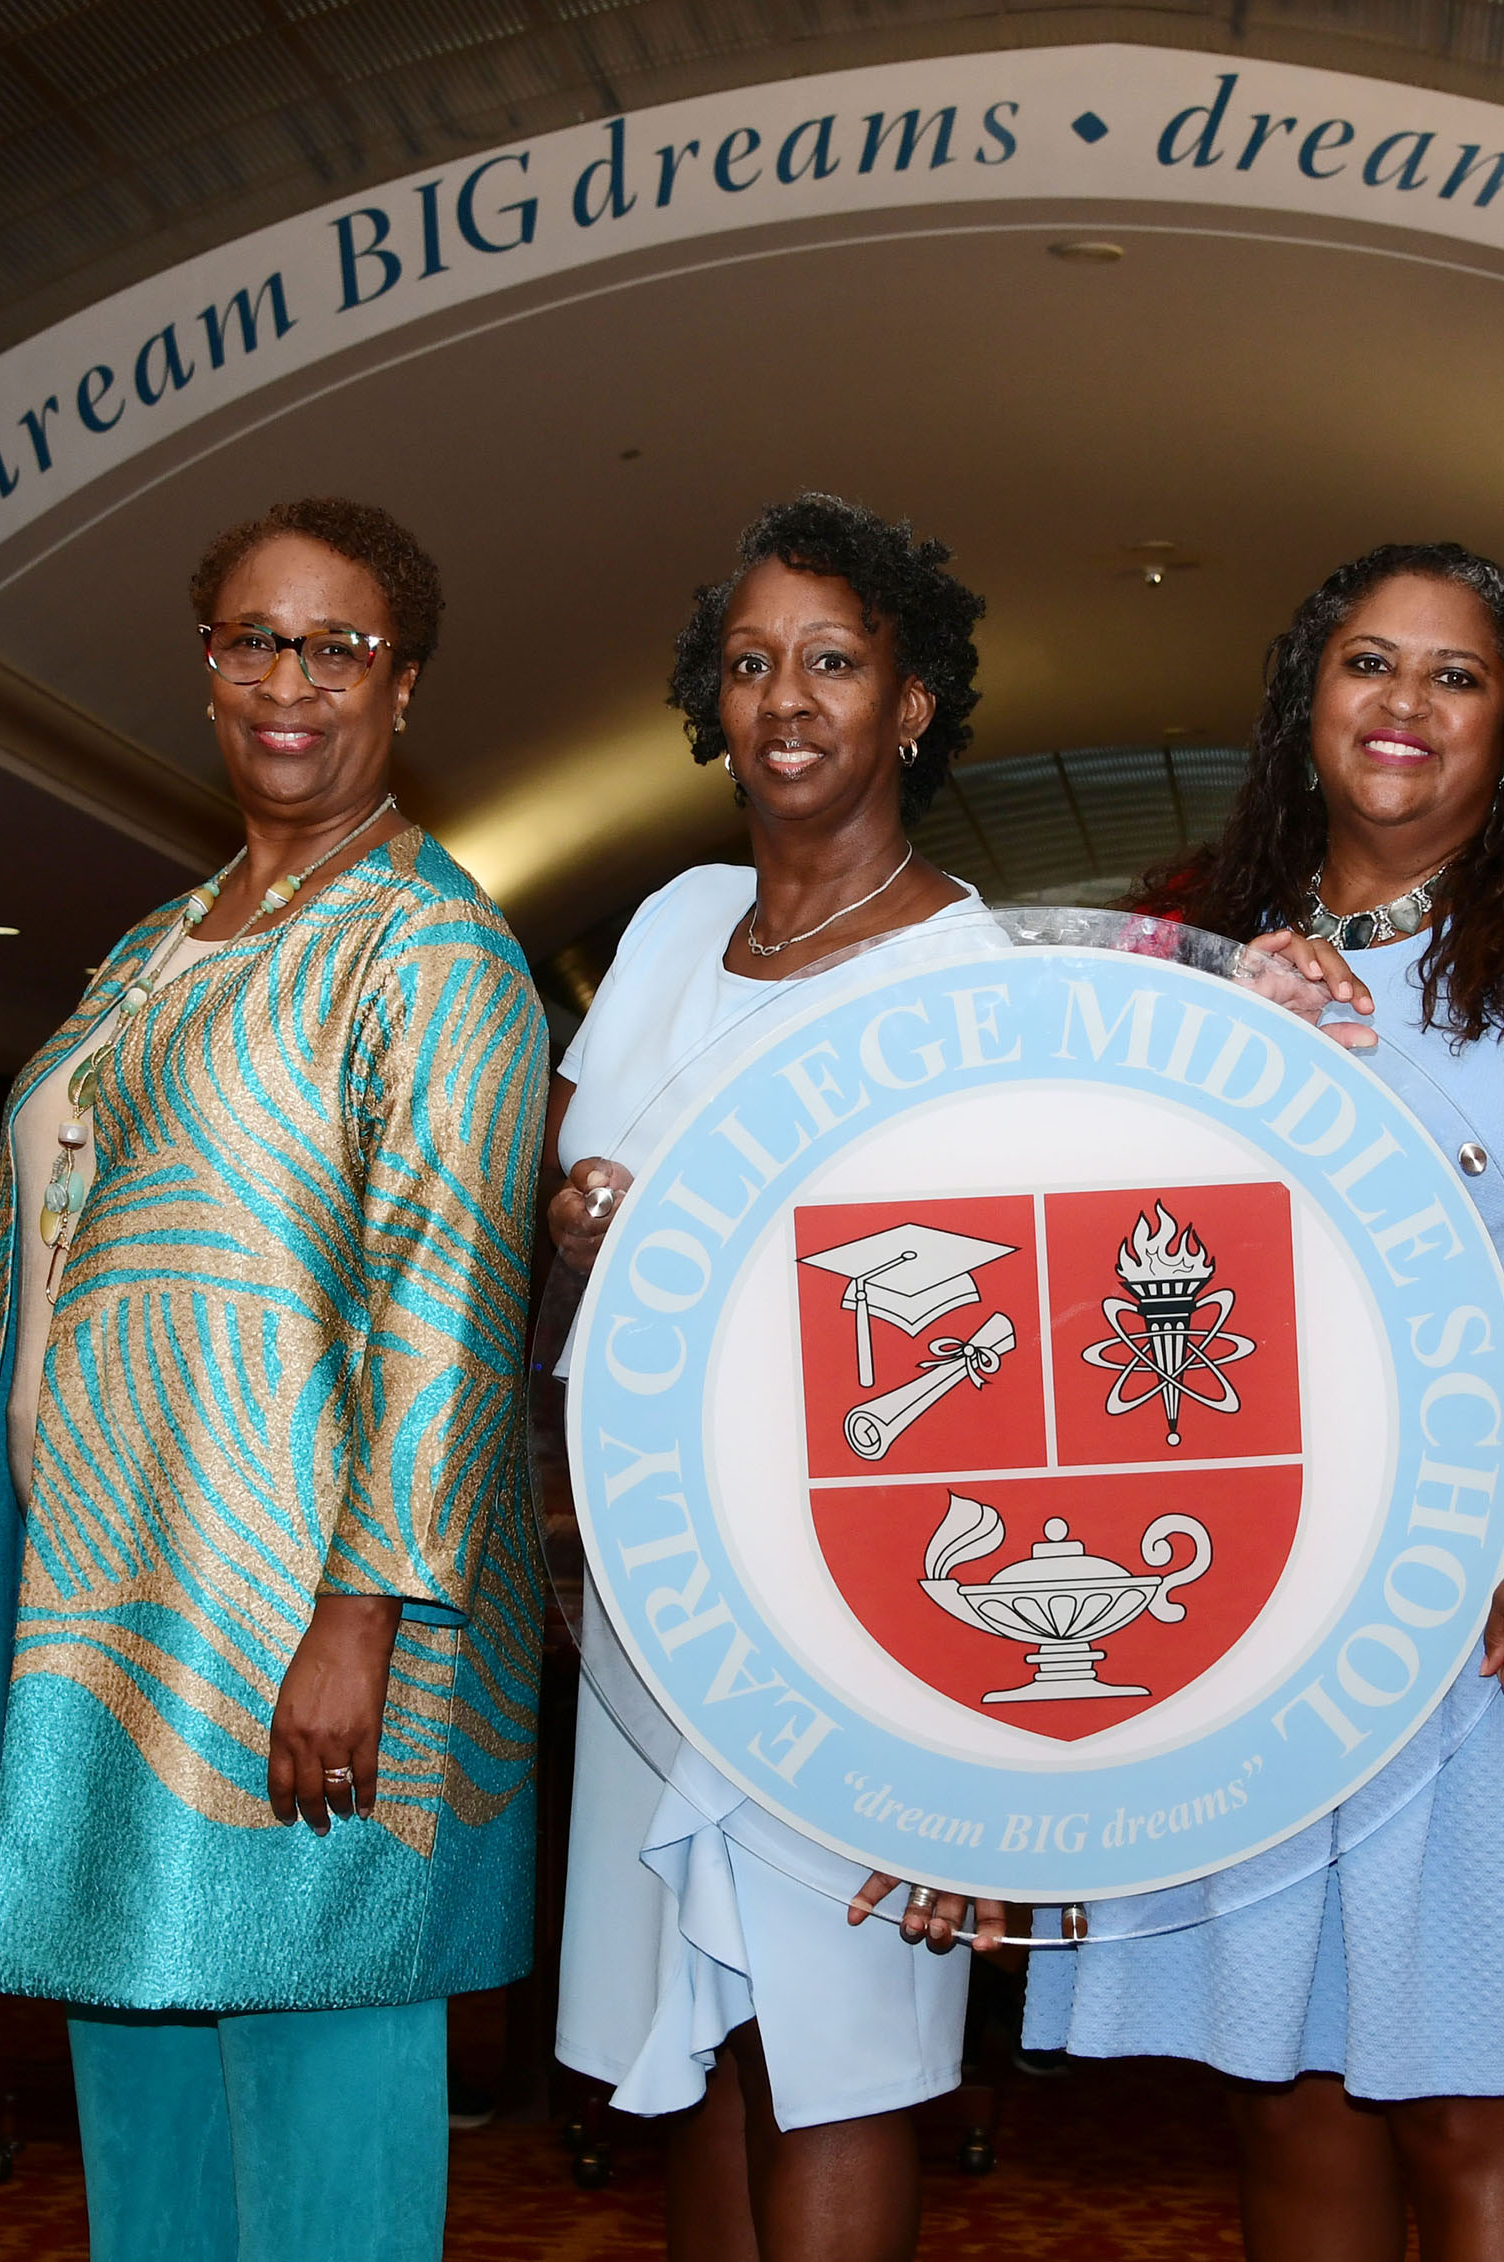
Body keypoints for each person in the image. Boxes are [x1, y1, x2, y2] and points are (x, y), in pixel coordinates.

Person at [1028, 543, 1504, 2262]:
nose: (1407, 706)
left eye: (1457, 674)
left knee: (1478, 2087)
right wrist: (1213, 1017)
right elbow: (1083, 1240)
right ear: (1307, 699)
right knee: (1280, 2077)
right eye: (1371, 663)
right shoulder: (1190, 928)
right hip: (1269, 1562)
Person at [0, 496, 550, 2261]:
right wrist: (1, 1617)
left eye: (336, 645)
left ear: (403, 683)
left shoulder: (432, 952)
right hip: (109, 1607)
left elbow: (448, 1306)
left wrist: (358, 1618)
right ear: (209, 666)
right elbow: (52, 1295)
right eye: (252, 640)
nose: (290, 680)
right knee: (134, 2066)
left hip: (304, 1622)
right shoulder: (153, 947)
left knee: (322, 2065)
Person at [547, 494, 1013, 2262]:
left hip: (855, 1579)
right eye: (750, 663)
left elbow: (982, 1332)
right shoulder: (676, 920)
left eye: (833, 660)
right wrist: (584, 1215)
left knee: (840, 2044)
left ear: (911, 701)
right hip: (655, 1568)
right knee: (705, 2030)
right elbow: (571, 1200)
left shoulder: (963, 974)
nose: (787, 698)